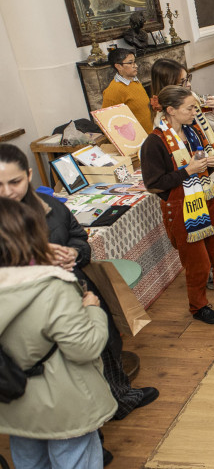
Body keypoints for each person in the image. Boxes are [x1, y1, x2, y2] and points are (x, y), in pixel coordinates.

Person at [1, 144, 158, 422]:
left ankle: (121, 399)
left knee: (105, 346)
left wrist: (75, 253)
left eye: (15, 182)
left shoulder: (50, 205)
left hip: (76, 290)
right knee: (63, 370)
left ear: (28, 175)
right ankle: (89, 432)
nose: (7, 192)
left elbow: (78, 237)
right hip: (31, 314)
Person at [0, 197, 116, 469]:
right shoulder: (52, 288)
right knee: (74, 458)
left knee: (29, 458)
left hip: (13, 402)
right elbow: (84, 348)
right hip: (61, 401)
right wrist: (93, 311)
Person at [142, 85, 214, 325]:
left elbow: (202, 167)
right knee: (198, 263)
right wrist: (188, 171)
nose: (194, 112)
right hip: (181, 206)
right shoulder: (154, 143)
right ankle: (198, 306)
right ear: (171, 110)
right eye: (190, 108)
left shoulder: (192, 132)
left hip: (206, 198)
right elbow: (154, 184)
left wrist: (210, 163)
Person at [149, 59, 214, 281]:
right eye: (183, 81)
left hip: (208, 176)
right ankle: (210, 271)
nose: (188, 85)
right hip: (192, 185)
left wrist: (213, 113)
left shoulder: (188, 105)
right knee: (201, 229)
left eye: (187, 79)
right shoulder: (165, 121)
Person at [102, 48, 153, 133]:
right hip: (138, 138)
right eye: (130, 63)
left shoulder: (135, 80)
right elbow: (108, 120)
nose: (135, 65)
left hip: (151, 132)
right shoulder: (114, 90)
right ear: (118, 66)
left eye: (134, 62)